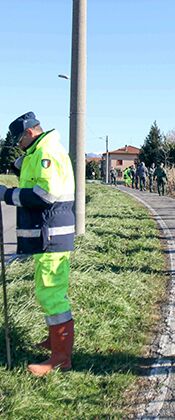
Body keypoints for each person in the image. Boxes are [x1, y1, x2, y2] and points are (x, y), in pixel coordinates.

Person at [0, 112, 75, 376]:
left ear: (29, 133)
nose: (17, 145)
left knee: (51, 293)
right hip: (48, 233)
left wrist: (7, 194)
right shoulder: (39, 151)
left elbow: (46, 193)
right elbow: (30, 174)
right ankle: (55, 341)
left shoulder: (47, 153)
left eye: (18, 140)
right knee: (47, 290)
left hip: (52, 234)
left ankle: (60, 357)